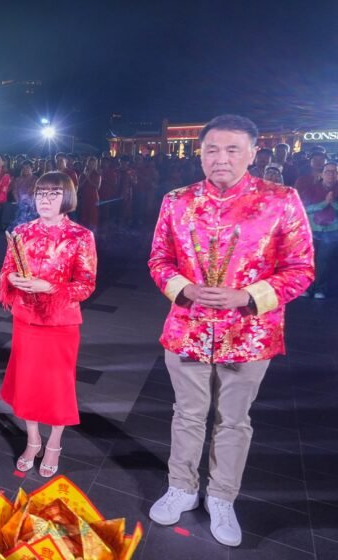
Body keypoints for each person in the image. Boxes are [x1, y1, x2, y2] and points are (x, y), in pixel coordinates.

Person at [147, 115, 314, 547]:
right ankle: (181, 487)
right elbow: (159, 260)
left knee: (234, 421)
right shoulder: (177, 201)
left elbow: (301, 269)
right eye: (212, 150)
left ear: (253, 153)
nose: (220, 158)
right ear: (200, 154)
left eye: (232, 149)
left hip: (250, 333)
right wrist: (184, 289)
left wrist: (247, 296)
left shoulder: (281, 200)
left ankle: (222, 496)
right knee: (186, 414)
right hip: (187, 329)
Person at [0, 172, 96, 478]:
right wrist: (11, 278)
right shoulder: (22, 232)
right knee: (27, 383)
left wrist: (50, 287)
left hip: (59, 323)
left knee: (57, 387)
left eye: (54, 194)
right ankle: (33, 440)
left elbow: (86, 284)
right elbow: (6, 269)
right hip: (26, 320)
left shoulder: (80, 236)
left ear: (67, 198)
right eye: (41, 193)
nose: (46, 199)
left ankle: (54, 443)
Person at [300, 162, 338, 299]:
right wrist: (324, 203)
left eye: (334, 172)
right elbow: (304, 208)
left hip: (332, 232)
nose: (331, 174)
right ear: (322, 174)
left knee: (324, 261)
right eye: (328, 171)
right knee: (309, 260)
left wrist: (332, 203)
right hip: (312, 230)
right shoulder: (311, 189)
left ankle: (320, 289)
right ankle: (307, 287)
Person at [77, 156, 101, 231]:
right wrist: (85, 178)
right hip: (85, 196)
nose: (91, 165)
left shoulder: (97, 174)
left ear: (96, 165)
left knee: (93, 213)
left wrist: (88, 178)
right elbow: (79, 186)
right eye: (90, 164)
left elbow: (97, 187)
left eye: (93, 164)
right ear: (87, 164)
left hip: (93, 196)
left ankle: (93, 231)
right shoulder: (82, 174)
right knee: (84, 212)